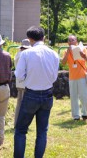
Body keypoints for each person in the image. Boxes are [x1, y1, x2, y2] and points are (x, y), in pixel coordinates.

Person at [14, 26, 59, 158]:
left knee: (21, 130)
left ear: (29, 39)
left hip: (31, 94)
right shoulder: (54, 53)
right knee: (42, 131)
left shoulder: (26, 54)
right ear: (44, 38)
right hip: (47, 94)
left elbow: (19, 76)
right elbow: (54, 77)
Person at [61, 35, 87, 121]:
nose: (71, 42)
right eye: (69, 40)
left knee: (83, 95)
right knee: (73, 97)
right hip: (72, 77)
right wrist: (68, 52)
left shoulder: (82, 49)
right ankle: (76, 116)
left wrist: (84, 56)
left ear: (76, 41)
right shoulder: (66, 51)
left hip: (82, 76)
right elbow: (63, 62)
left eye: (72, 40)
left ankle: (85, 114)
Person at [13, 39, 31, 125]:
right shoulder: (26, 55)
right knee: (25, 104)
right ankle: (22, 123)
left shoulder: (17, 54)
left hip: (19, 82)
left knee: (19, 103)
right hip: (25, 82)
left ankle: (16, 122)